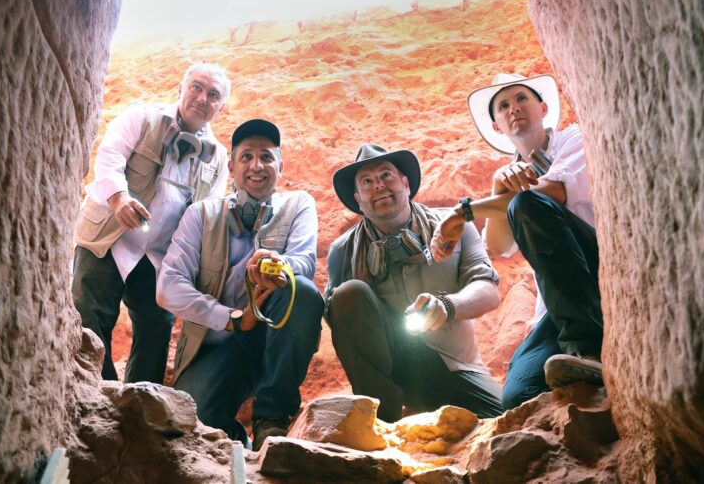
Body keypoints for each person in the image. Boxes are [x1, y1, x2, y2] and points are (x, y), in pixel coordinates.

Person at [430, 73, 604, 410]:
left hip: (599, 270)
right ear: (497, 126)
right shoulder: (508, 174)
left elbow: (555, 192)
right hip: (562, 305)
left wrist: (463, 211)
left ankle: (587, 349)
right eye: (503, 106)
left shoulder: (575, 139)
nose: (514, 109)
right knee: (518, 396)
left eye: (521, 99)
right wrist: (499, 189)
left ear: (542, 107)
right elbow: (499, 246)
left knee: (528, 203)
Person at [157, 119, 322, 450]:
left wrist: (277, 264)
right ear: (232, 166)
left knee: (302, 289)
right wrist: (233, 318)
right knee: (194, 423)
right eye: (246, 157)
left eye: (266, 156)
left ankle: (271, 420)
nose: (256, 166)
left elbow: (304, 262)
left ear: (280, 164)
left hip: (275, 338)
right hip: (218, 343)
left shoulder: (299, 204)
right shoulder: (200, 214)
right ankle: (239, 447)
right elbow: (168, 285)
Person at [72, 62, 231, 383]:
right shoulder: (140, 117)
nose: (202, 98)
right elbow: (110, 156)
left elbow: (207, 216)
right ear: (181, 90)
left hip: (158, 259)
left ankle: (138, 410)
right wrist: (118, 198)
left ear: (220, 107)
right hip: (108, 239)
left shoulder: (218, 158)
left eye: (213, 95)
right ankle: (96, 395)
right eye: (197, 88)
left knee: (156, 331)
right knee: (89, 317)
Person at [325, 144, 504, 422]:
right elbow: (340, 324)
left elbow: (489, 290)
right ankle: (382, 420)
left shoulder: (453, 226)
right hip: (395, 368)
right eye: (367, 182)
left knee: (505, 419)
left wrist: (447, 305)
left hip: (455, 366)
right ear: (358, 199)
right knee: (347, 295)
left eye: (386, 175)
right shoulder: (342, 251)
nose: (378, 186)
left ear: (405, 184)